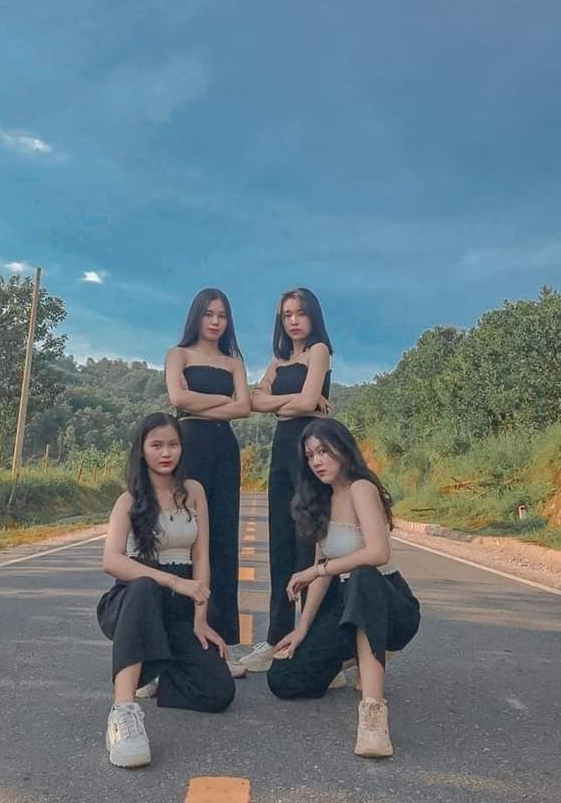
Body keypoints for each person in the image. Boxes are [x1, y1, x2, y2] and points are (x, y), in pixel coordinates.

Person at [266, 418, 420, 758]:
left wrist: (317, 568)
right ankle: (355, 653)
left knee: (362, 574)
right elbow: (323, 574)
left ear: (343, 449)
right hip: (344, 605)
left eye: (323, 451)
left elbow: (378, 553)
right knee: (283, 680)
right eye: (310, 456)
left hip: (387, 600)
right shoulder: (320, 499)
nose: (317, 461)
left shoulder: (361, 489)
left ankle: (373, 714)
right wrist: (302, 629)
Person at [97, 413, 235, 768]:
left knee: (219, 692)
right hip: (135, 604)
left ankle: (162, 667)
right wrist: (172, 581)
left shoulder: (194, 492)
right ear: (141, 450)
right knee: (144, 585)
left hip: (182, 605)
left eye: (172, 444)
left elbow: (201, 557)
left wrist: (201, 618)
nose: (165, 453)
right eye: (156, 445)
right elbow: (112, 561)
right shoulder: (128, 500)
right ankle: (123, 710)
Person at [239, 287, 332, 672]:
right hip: (281, 450)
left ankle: (312, 639)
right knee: (278, 542)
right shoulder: (279, 360)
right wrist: (286, 404)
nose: (293, 320)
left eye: (300, 313)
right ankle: (276, 637)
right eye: (286, 315)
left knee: (308, 545)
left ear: (313, 317)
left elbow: (310, 403)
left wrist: (277, 402)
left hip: (310, 449)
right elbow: (252, 402)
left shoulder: (319, 352)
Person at [164, 288, 250, 677]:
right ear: (196, 316)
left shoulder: (234, 363)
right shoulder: (178, 355)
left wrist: (207, 402)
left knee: (221, 543)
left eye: (222, 315)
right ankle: (168, 645)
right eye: (209, 314)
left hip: (224, 450)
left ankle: (220, 647)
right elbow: (178, 399)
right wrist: (222, 402)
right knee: (182, 538)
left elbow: (245, 407)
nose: (216, 322)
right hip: (189, 447)